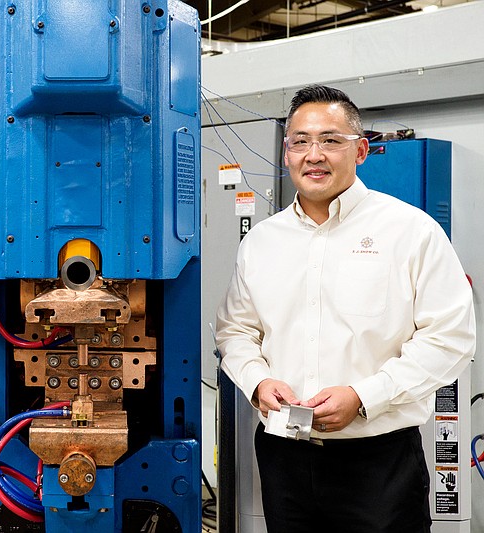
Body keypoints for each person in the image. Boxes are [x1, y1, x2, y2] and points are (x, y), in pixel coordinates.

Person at [216, 84, 475, 533]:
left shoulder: (411, 232)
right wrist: (257, 382)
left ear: (360, 151)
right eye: (301, 141)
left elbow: (449, 339)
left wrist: (363, 397)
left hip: (378, 462)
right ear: (286, 152)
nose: (313, 154)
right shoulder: (262, 241)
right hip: (284, 456)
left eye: (330, 140)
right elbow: (235, 330)